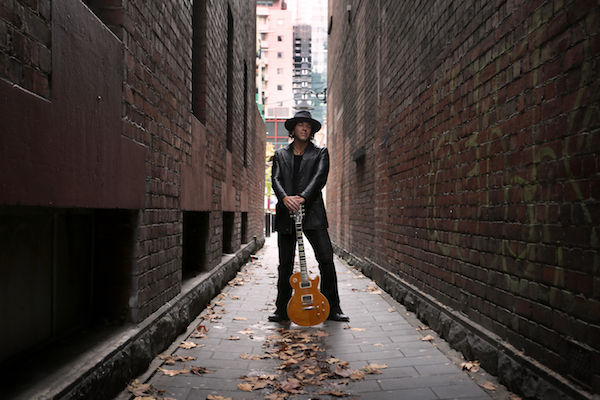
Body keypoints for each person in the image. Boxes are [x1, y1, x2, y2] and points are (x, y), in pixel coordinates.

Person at [269, 110, 349, 323]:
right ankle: (281, 310)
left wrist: (302, 198)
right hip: (287, 213)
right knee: (285, 263)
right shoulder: (280, 154)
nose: (305, 128)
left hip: (312, 212)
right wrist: (285, 198)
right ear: (293, 129)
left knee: (326, 259)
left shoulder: (320, 153)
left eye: (308, 125)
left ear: (311, 130)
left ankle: (333, 309)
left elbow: (320, 178)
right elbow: (275, 179)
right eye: (300, 124)